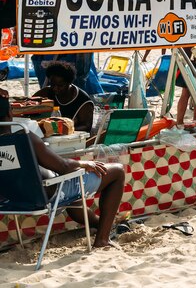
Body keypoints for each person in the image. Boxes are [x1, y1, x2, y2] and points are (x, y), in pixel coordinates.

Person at [1, 93, 125, 248]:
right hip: (46, 195)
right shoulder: (25, 138)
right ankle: (102, 239)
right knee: (117, 172)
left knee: (71, 188)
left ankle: (100, 224)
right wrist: (84, 163)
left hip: (10, 199)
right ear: (10, 113)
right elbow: (64, 166)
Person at [34, 60, 95, 133]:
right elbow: (28, 104)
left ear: (69, 83)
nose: (55, 88)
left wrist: (61, 129)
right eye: (53, 84)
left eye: (60, 85)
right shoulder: (46, 92)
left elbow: (86, 127)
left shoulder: (83, 101)